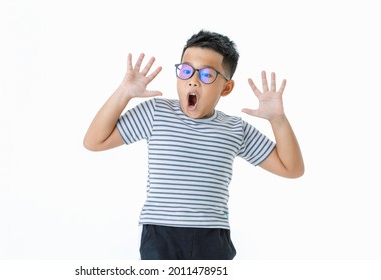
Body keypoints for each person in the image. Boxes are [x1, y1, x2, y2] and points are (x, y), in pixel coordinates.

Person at [83, 30, 304, 260]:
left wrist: (278, 120)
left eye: (207, 74)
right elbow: (94, 141)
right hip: (161, 234)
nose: (193, 80)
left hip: (212, 236)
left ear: (226, 88)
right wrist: (124, 93)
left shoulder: (235, 128)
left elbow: (292, 169)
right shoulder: (156, 112)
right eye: (186, 70)